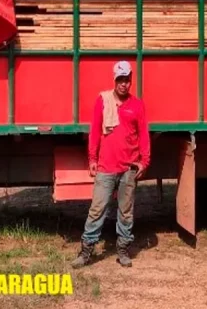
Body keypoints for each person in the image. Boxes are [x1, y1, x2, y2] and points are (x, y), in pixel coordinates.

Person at [71, 61, 151, 268]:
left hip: (129, 169)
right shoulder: (103, 101)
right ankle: (86, 252)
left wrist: (144, 161)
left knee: (126, 211)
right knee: (97, 209)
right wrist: (92, 159)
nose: (124, 84)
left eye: (127, 80)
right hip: (106, 167)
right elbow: (95, 131)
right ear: (114, 80)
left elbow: (144, 135)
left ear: (131, 80)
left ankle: (123, 251)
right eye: (120, 80)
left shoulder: (137, 105)